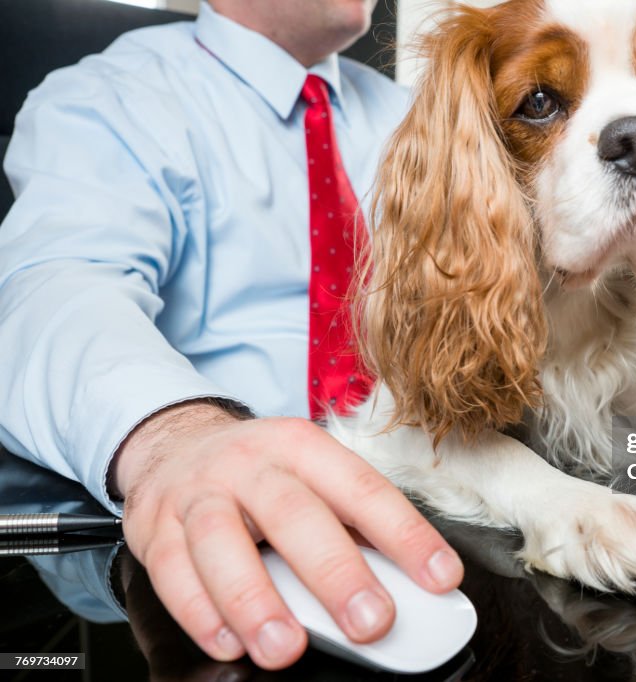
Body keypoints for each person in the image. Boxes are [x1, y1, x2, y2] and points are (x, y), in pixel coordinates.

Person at [0, 0, 464, 671]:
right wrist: (171, 438)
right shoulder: (111, 94)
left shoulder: (419, 119)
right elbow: (55, 286)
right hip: (198, 539)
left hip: (429, 498)